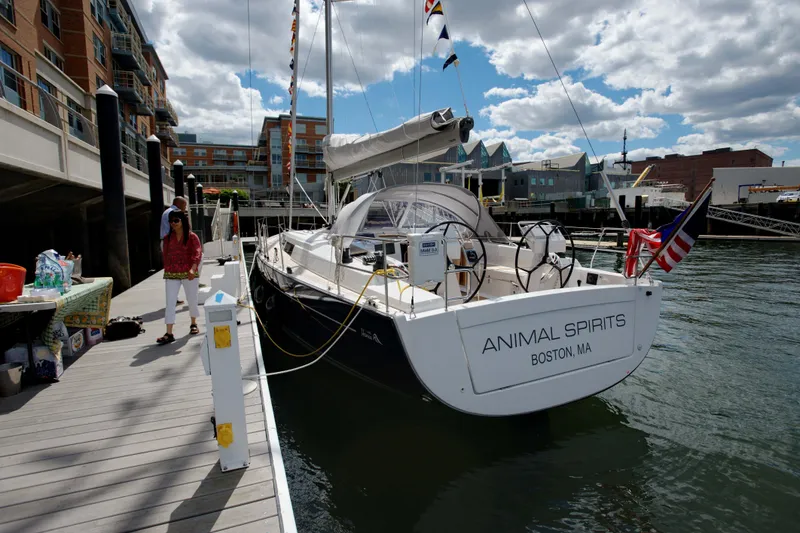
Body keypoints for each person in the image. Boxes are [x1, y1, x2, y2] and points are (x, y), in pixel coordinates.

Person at [157, 210, 202, 345]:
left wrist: (193, 269)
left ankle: (193, 323)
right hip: (171, 273)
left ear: (183, 221)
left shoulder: (192, 237)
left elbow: (197, 253)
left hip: (189, 273)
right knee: (170, 302)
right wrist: (167, 268)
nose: (173, 224)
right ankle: (169, 332)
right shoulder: (167, 239)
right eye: (171, 221)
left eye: (176, 220)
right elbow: (165, 255)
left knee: (192, 299)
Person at [161, 197, 188, 304]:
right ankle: (173, 297)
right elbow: (176, 229)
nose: (185, 208)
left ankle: (173, 297)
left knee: (171, 270)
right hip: (171, 244)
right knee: (174, 270)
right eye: (184, 205)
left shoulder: (166, 211)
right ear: (179, 204)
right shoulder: (174, 213)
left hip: (166, 242)